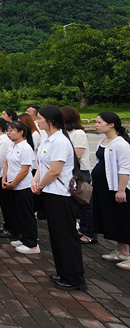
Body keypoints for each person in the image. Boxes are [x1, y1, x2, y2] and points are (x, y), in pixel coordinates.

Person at [32, 106, 86, 291]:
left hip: (61, 195)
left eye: (39, 118)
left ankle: (74, 278)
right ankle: (63, 272)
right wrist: (36, 179)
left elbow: (55, 170)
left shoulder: (61, 141)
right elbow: (43, 164)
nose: (37, 121)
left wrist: (39, 185)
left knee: (66, 237)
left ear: (50, 121)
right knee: (56, 236)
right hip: (50, 193)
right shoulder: (48, 139)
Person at [92, 112, 130, 271]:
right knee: (113, 220)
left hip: (117, 188)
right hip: (104, 188)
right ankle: (122, 252)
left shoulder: (121, 144)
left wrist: (121, 190)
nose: (96, 125)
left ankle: (127, 254)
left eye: (99, 122)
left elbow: (125, 168)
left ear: (111, 124)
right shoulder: (103, 141)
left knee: (124, 220)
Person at [61, 106, 97, 245]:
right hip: (72, 171)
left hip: (81, 172)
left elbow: (78, 155)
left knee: (86, 203)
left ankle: (90, 233)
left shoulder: (78, 133)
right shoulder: (66, 132)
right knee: (79, 205)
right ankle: (82, 229)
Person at [2, 121, 37, 252]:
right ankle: (23, 238)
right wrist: (4, 179)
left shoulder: (25, 148)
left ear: (21, 132)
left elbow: (25, 170)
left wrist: (14, 183)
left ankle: (31, 243)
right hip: (11, 184)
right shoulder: (11, 146)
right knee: (17, 213)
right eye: (8, 131)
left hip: (23, 186)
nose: (9, 133)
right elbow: (7, 163)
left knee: (26, 214)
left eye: (12, 131)